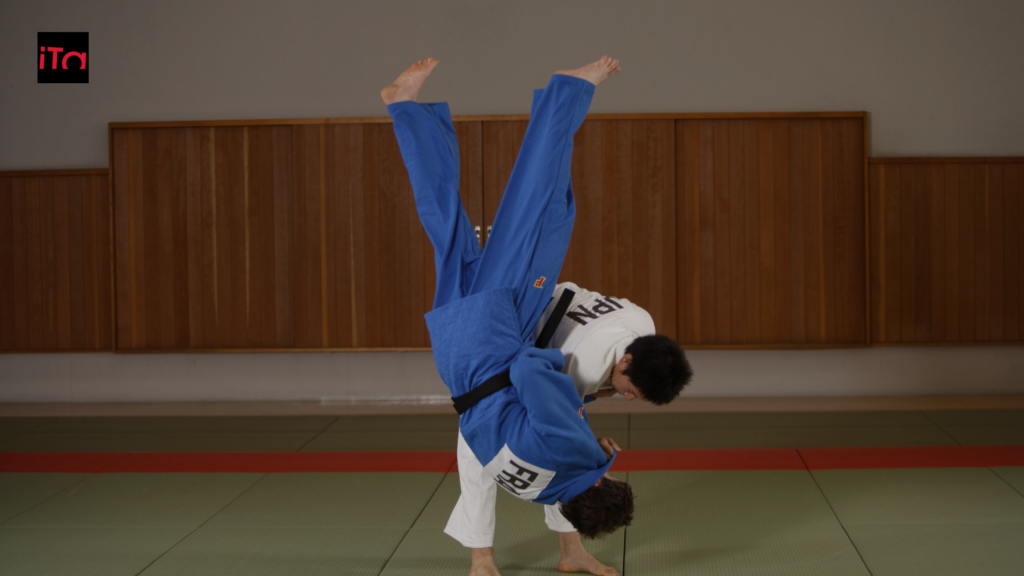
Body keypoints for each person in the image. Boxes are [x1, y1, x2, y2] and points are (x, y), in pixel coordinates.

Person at [382, 56, 632, 576]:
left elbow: (531, 369)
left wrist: (579, 399)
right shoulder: (542, 485)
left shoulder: (570, 448)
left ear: (602, 480)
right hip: (456, 354)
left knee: (540, 210)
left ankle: (566, 92)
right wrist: (587, 444)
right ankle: (403, 108)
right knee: (446, 225)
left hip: (494, 333)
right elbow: (547, 460)